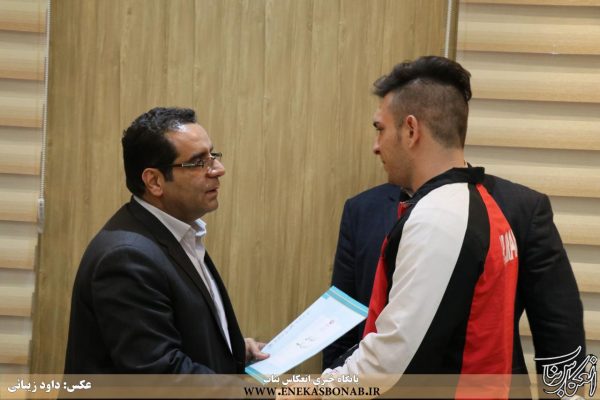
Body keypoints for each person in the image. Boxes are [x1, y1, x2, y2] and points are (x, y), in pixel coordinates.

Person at [321, 56, 585, 396]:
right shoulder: (362, 210)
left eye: (380, 129)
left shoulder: (518, 208)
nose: (375, 145)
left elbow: (560, 329)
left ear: (411, 130)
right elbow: (342, 322)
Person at [64, 107, 268, 373]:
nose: (218, 169)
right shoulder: (126, 258)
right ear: (154, 181)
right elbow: (161, 374)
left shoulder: (179, 233)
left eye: (213, 156)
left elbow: (180, 330)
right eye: (198, 162)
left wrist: (233, 350)